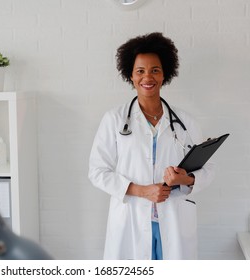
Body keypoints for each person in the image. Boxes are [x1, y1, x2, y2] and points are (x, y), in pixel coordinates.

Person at [88, 32, 215, 260]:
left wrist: (184, 179)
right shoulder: (114, 120)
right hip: (131, 219)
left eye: (155, 70)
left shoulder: (186, 123)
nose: (148, 77)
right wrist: (143, 191)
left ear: (165, 74)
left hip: (173, 221)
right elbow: (97, 172)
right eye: (140, 71)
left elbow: (208, 170)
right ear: (131, 75)